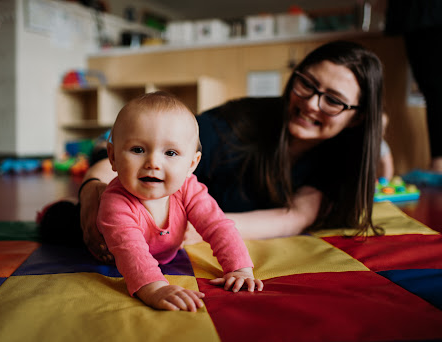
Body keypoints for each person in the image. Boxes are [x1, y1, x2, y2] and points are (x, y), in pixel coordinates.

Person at [77, 40, 384, 260]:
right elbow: (136, 152)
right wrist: (92, 187)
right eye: (307, 84)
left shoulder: (344, 160)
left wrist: (204, 227)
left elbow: (294, 218)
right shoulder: (238, 124)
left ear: (358, 116)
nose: (311, 104)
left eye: (332, 100)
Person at [97, 91, 263, 312]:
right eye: (138, 150)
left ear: (192, 164)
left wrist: (240, 268)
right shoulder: (116, 203)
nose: (153, 162)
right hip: (99, 243)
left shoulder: (188, 189)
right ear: (113, 156)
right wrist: (154, 289)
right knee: (58, 223)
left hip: (165, 255)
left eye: (171, 153)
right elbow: (130, 250)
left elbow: (218, 226)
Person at [385, 0, 442, 173]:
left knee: (435, 90)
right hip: (420, 16)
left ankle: (439, 165)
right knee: (434, 91)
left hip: (425, 15)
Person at [377, 112, 394, 181]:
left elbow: (388, 165)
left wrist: (385, 180)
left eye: (383, 128)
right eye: (377, 127)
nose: (380, 131)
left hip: (377, 179)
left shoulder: (382, 145)